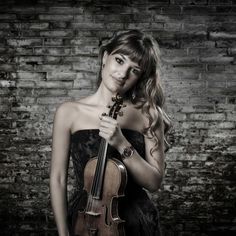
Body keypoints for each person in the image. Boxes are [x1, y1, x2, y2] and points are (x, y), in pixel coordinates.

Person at [50, 29, 171, 236]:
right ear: (105, 58)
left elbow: (154, 182)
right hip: (85, 216)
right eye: (120, 60)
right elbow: (58, 178)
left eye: (134, 70)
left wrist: (121, 143)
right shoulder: (68, 112)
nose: (123, 74)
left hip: (135, 222)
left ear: (140, 77)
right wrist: (63, 232)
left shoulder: (149, 113)